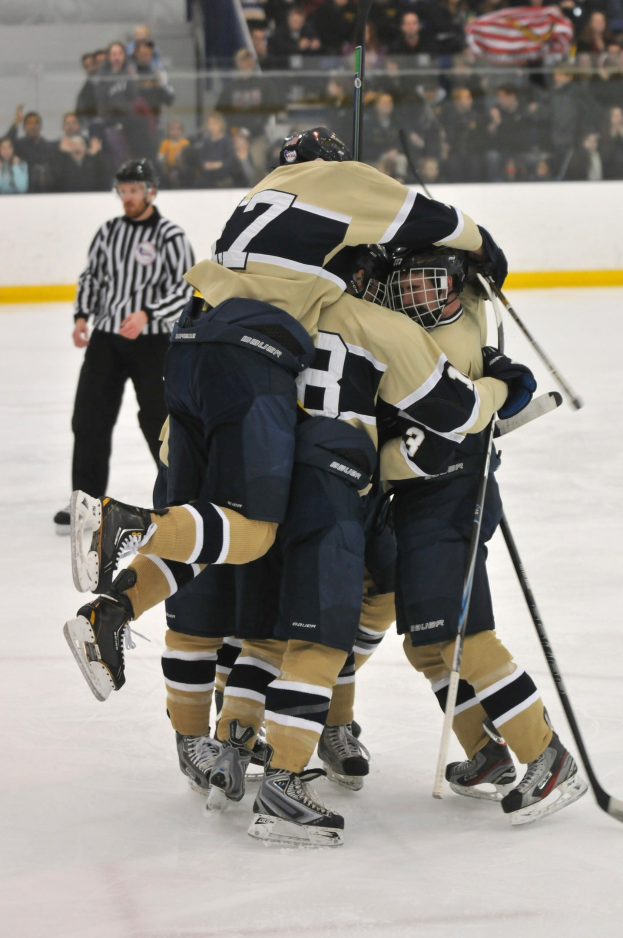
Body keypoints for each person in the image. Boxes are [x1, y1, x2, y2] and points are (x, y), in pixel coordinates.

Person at [380, 244, 588, 824]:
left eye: (426, 283)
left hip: (452, 497)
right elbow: (514, 380)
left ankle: (545, 756)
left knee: (464, 637)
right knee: (426, 643)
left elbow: (499, 390)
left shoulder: (440, 341)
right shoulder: (446, 322)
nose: (412, 292)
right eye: (407, 283)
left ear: (451, 286)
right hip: (426, 502)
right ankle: (487, 754)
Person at [53, 159, 194, 533]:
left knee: (159, 421)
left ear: (151, 191)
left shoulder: (170, 235)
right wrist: (82, 315)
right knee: (89, 419)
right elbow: (92, 276)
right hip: (107, 341)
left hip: (151, 343)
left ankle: (179, 497)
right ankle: (85, 501)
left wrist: (148, 313)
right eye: (124, 190)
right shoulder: (109, 232)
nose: (128, 197)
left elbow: (182, 288)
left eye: (135, 190)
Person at [5, 106, 55, 192]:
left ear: (40, 126)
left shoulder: (48, 146)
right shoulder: (19, 145)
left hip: (46, 193)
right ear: (24, 127)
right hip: (25, 192)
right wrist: (17, 121)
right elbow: (6, 143)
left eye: (36, 123)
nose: (33, 126)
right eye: (29, 123)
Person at [158, 119, 190, 188]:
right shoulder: (165, 143)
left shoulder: (185, 143)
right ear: (168, 131)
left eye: (178, 129)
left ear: (181, 131)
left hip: (181, 168)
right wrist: (165, 159)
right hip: (168, 167)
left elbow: (188, 159)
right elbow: (160, 157)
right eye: (172, 129)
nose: (175, 132)